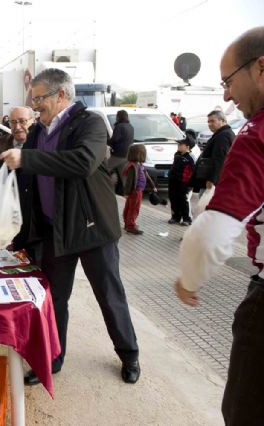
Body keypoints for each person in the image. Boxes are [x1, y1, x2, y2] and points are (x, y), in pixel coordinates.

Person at [0, 68, 140, 384]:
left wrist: (27, 160)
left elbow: (82, 162)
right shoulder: (40, 130)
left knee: (109, 295)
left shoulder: (89, 123)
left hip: (93, 228)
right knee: (53, 299)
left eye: (40, 98)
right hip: (55, 231)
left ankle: (129, 354)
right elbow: (24, 160)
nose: (35, 106)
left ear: (61, 95)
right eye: (33, 99)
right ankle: (53, 357)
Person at [174, 26, 264, 425]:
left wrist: (188, 280)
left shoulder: (256, 135)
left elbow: (213, 232)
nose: (227, 95)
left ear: (261, 67)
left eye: (229, 81)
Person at [191, 109, 235, 193]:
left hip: (212, 181)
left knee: (206, 203)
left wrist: (212, 179)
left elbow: (220, 159)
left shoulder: (223, 136)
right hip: (212, 178)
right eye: (208, 122)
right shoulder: (222, 133)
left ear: (222, 121)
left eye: (212, 121)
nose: (209, 124)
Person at [0, 106, 35, 180]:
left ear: (32, 121)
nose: (17, 127)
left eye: (22, 121)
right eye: (13, 122)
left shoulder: (41, 145)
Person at [121, 144, 157, 235]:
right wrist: (127, 192)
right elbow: (129, 181)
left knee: (129, 208)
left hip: (137, 191)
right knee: (133, 209)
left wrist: (153, 186)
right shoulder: (133, 166)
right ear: (140, 154)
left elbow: (147, 176)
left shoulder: (138, 165)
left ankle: (128, 224)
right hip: (135, 191)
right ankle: (130, 226)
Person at [167, 134, 196, 225]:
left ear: (187, 147)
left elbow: (192, 173)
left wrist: (189, 185)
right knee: (173, 199)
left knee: (183, 200)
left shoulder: (190, 158)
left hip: (184, 183)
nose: (178, 146)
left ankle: (187, 219)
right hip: (173, 182)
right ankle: (175, 217)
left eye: (180, 145)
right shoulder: (177, 154)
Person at [107, 109, 134, 195]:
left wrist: (107, 141)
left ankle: (103, 188)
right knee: (123, 176)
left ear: (119, 117)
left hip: (118, 155)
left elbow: (115, 139)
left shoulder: (119, 126)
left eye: (117, 116)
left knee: (104, 169)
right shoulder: (130, 126)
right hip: (127, 155)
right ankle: (124, 193)